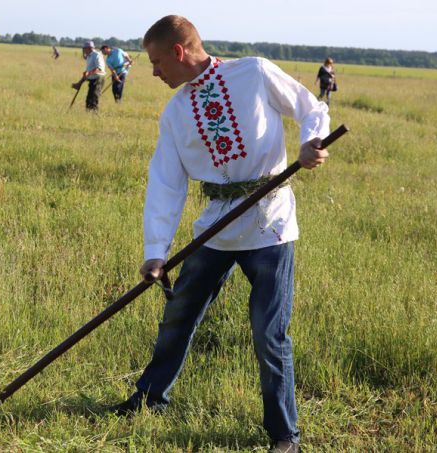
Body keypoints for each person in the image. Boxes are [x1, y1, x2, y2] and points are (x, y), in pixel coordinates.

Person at [107, 15, 330, 453]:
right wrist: (156, 251)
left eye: (155, 62)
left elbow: (312, 107)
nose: (152, 72)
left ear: (178, 52)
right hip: (215, 229)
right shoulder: (174, 113)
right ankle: (150, 399)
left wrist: (312, 143)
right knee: (179, 314)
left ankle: (285, 435)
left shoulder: (253, 72)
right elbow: (167, 183)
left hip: (270, 223)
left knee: (270, 332)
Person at [71, 41, 105, 111]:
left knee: (93, 98)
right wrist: (79, 83)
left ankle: (94, 116)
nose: (83, 50)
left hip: (98, 79)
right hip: (92, 79)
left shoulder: (96, 55)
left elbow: (99, 69)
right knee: (89, 100)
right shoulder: (89, 56)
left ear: (89, 48)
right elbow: (88, 72)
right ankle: (89, 115)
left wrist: (89, 73)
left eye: (84, 49)